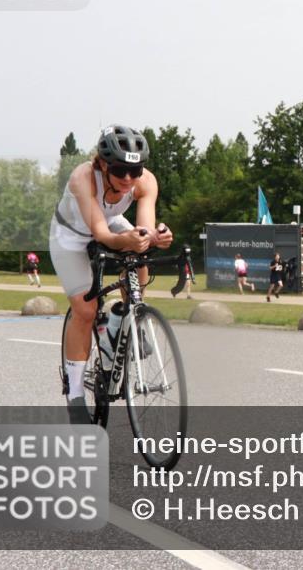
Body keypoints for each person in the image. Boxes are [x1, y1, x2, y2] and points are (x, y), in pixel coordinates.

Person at [51, 126, 173, 424]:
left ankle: (125, 318)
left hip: (110, 221)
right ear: (104, 164)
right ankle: (76, 394)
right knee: (86, 309)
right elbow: (101, 234)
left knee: (139, 253)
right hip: (70, 235)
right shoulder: (83, 177)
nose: (129, 178)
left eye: (135, 169)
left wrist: (154, 237)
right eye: (121, 170)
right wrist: (130, 239)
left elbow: (141, 231)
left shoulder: (146, 182)